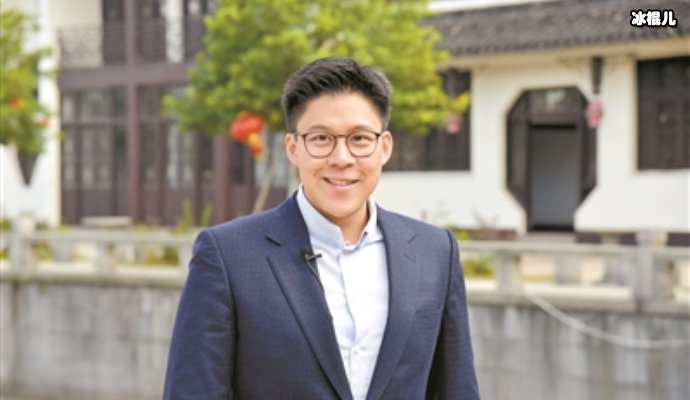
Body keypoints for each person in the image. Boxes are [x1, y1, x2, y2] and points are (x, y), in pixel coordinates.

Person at [163, 56, 480, 400]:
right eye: (321, 138)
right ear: (293, 148)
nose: (341, 158)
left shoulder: (436, 252)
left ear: (384, 147)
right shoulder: (227, 256)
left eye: (360, 138)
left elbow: (458, 390)